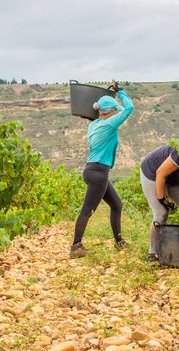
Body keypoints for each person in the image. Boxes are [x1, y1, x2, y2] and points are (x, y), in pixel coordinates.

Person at [70, 86, 134, 258]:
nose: (116, 113)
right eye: (114, 110)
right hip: (98, 173)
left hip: (93, 170)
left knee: (116, 205)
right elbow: (129, 108)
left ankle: (119, 241)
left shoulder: (94, 125)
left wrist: (107, 101)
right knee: (87, 210)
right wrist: (120, 92)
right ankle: (76, 246)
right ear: (111, 111)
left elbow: (102, 111)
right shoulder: (109, 124)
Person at [140, 144, 179, 262]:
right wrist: (162, 198)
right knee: (161, 213)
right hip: (153, 174)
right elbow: (160, 173)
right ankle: (152, 253)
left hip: (174, 178)